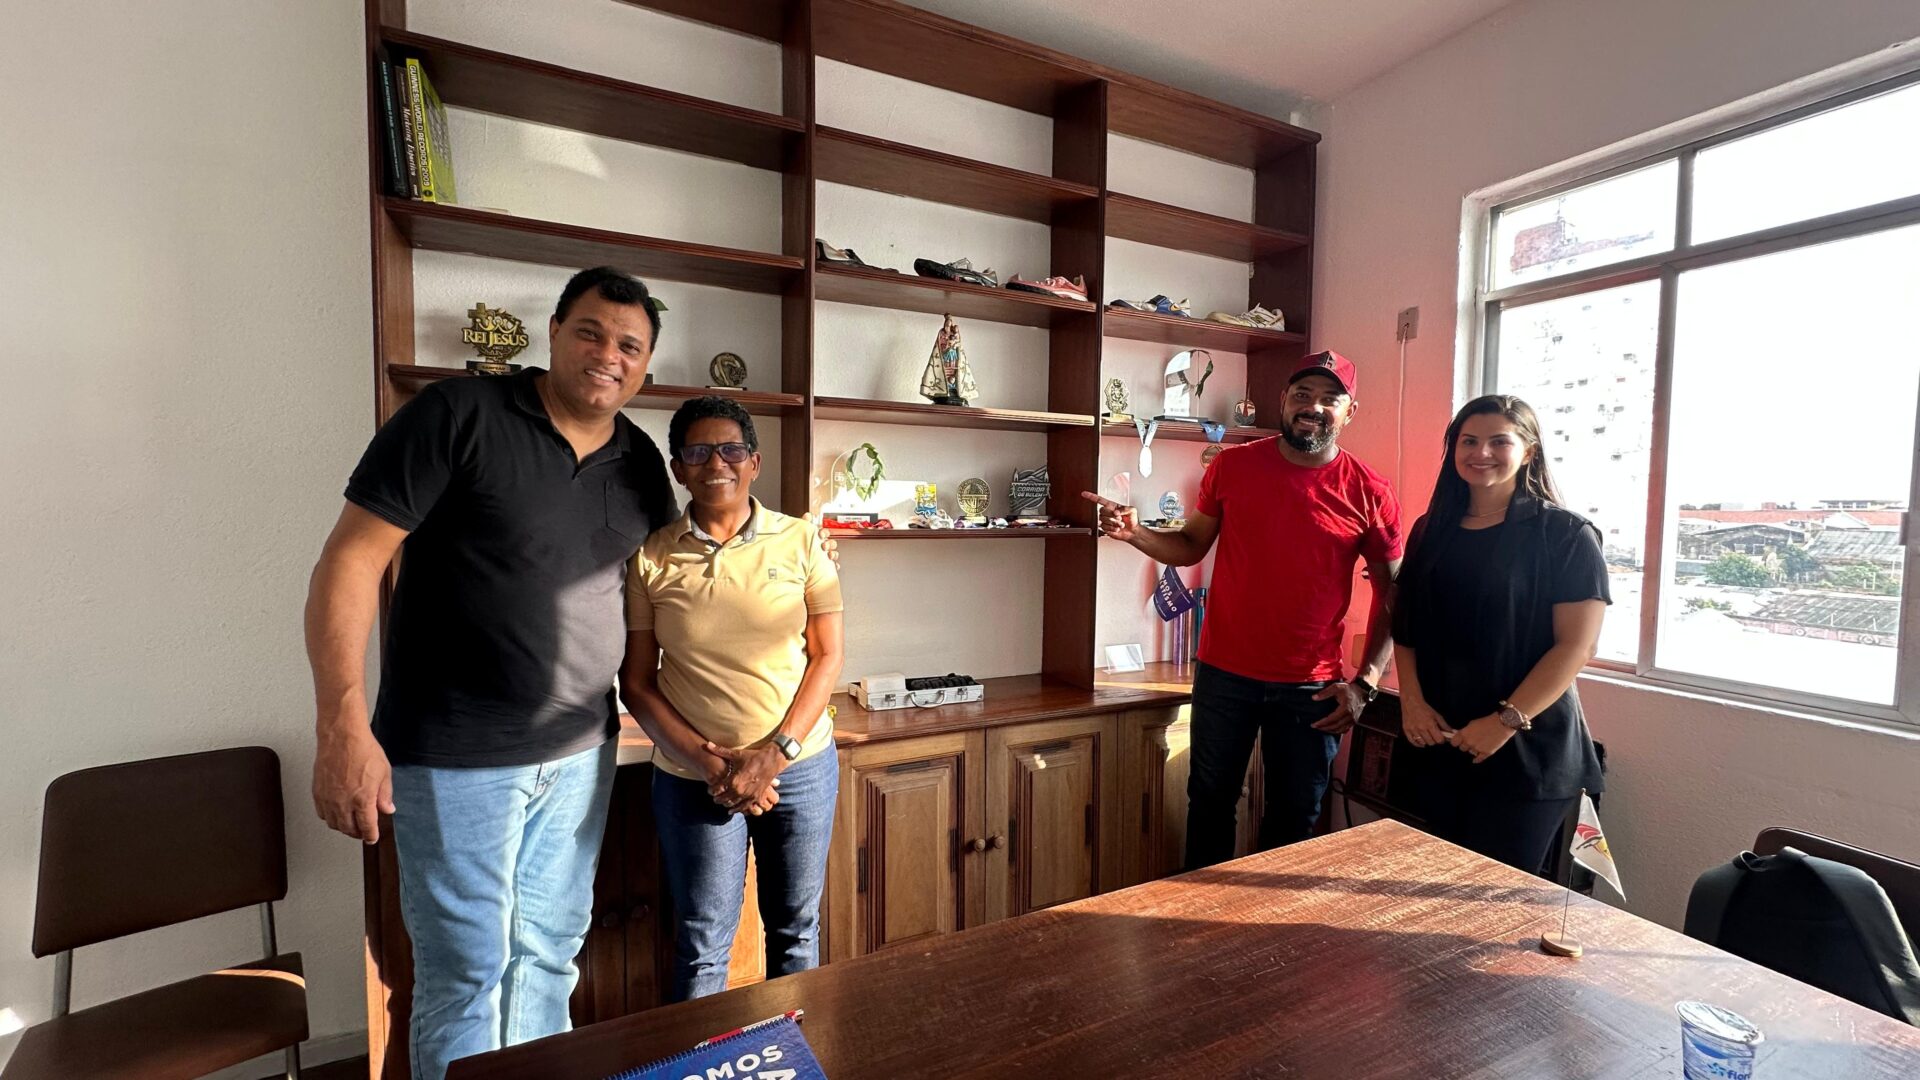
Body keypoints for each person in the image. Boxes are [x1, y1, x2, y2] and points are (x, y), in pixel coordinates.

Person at [1085, 351, 1402, 870]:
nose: (1313, 407)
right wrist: (1137, 534)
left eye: (1330, 399)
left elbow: (1394, 593)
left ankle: (1275, 921)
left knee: (1295, 821)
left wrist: (1365, 683)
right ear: (1283, 400)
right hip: (1225, 676)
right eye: (1302, 394)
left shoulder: (1370, 490)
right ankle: (1203, 917)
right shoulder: (1232, 466)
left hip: (1312, 687)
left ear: (1350, 412)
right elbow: (1191, 546)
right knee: (1209, 807)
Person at [620, 396, 844, 1001]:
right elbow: (636, 681)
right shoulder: (651, 557)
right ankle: (705, 1053)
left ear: (754, 462)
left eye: (731, 449)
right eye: (697, 452)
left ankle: (790, 1049)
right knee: (702, 943)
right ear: (678, 469)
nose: (715, 463)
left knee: (796, 930)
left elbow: (827, 656)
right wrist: (711, 765)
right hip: (693, 779)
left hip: (799, 769)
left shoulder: (802, 541)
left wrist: (774, 755)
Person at [1391, 395, 1608, 876]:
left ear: (1528, 451)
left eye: (1499, 442)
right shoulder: (1431, 529)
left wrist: (1505, 721)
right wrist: (1412, 703)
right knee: (1434, 889)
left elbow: (1577, 646)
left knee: (1493, 899)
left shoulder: (1565, 534)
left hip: (1526, 750)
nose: (1481, 453)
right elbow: (1405, 625)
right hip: (1439, 739)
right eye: (1469, 441)